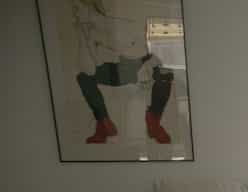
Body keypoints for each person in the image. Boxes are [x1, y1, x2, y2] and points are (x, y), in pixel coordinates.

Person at [72, 0, 173, 144]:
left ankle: (154, 123)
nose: (75, 14)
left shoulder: (123, 22)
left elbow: (158, 49)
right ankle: (104, 124)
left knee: (165, 72)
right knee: (83, 77)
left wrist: (148, 65)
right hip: (123, 69)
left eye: (77, 8)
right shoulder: (92, 32)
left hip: (145, 62)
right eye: (75, 10)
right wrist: (83, 37)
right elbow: (89, 69)